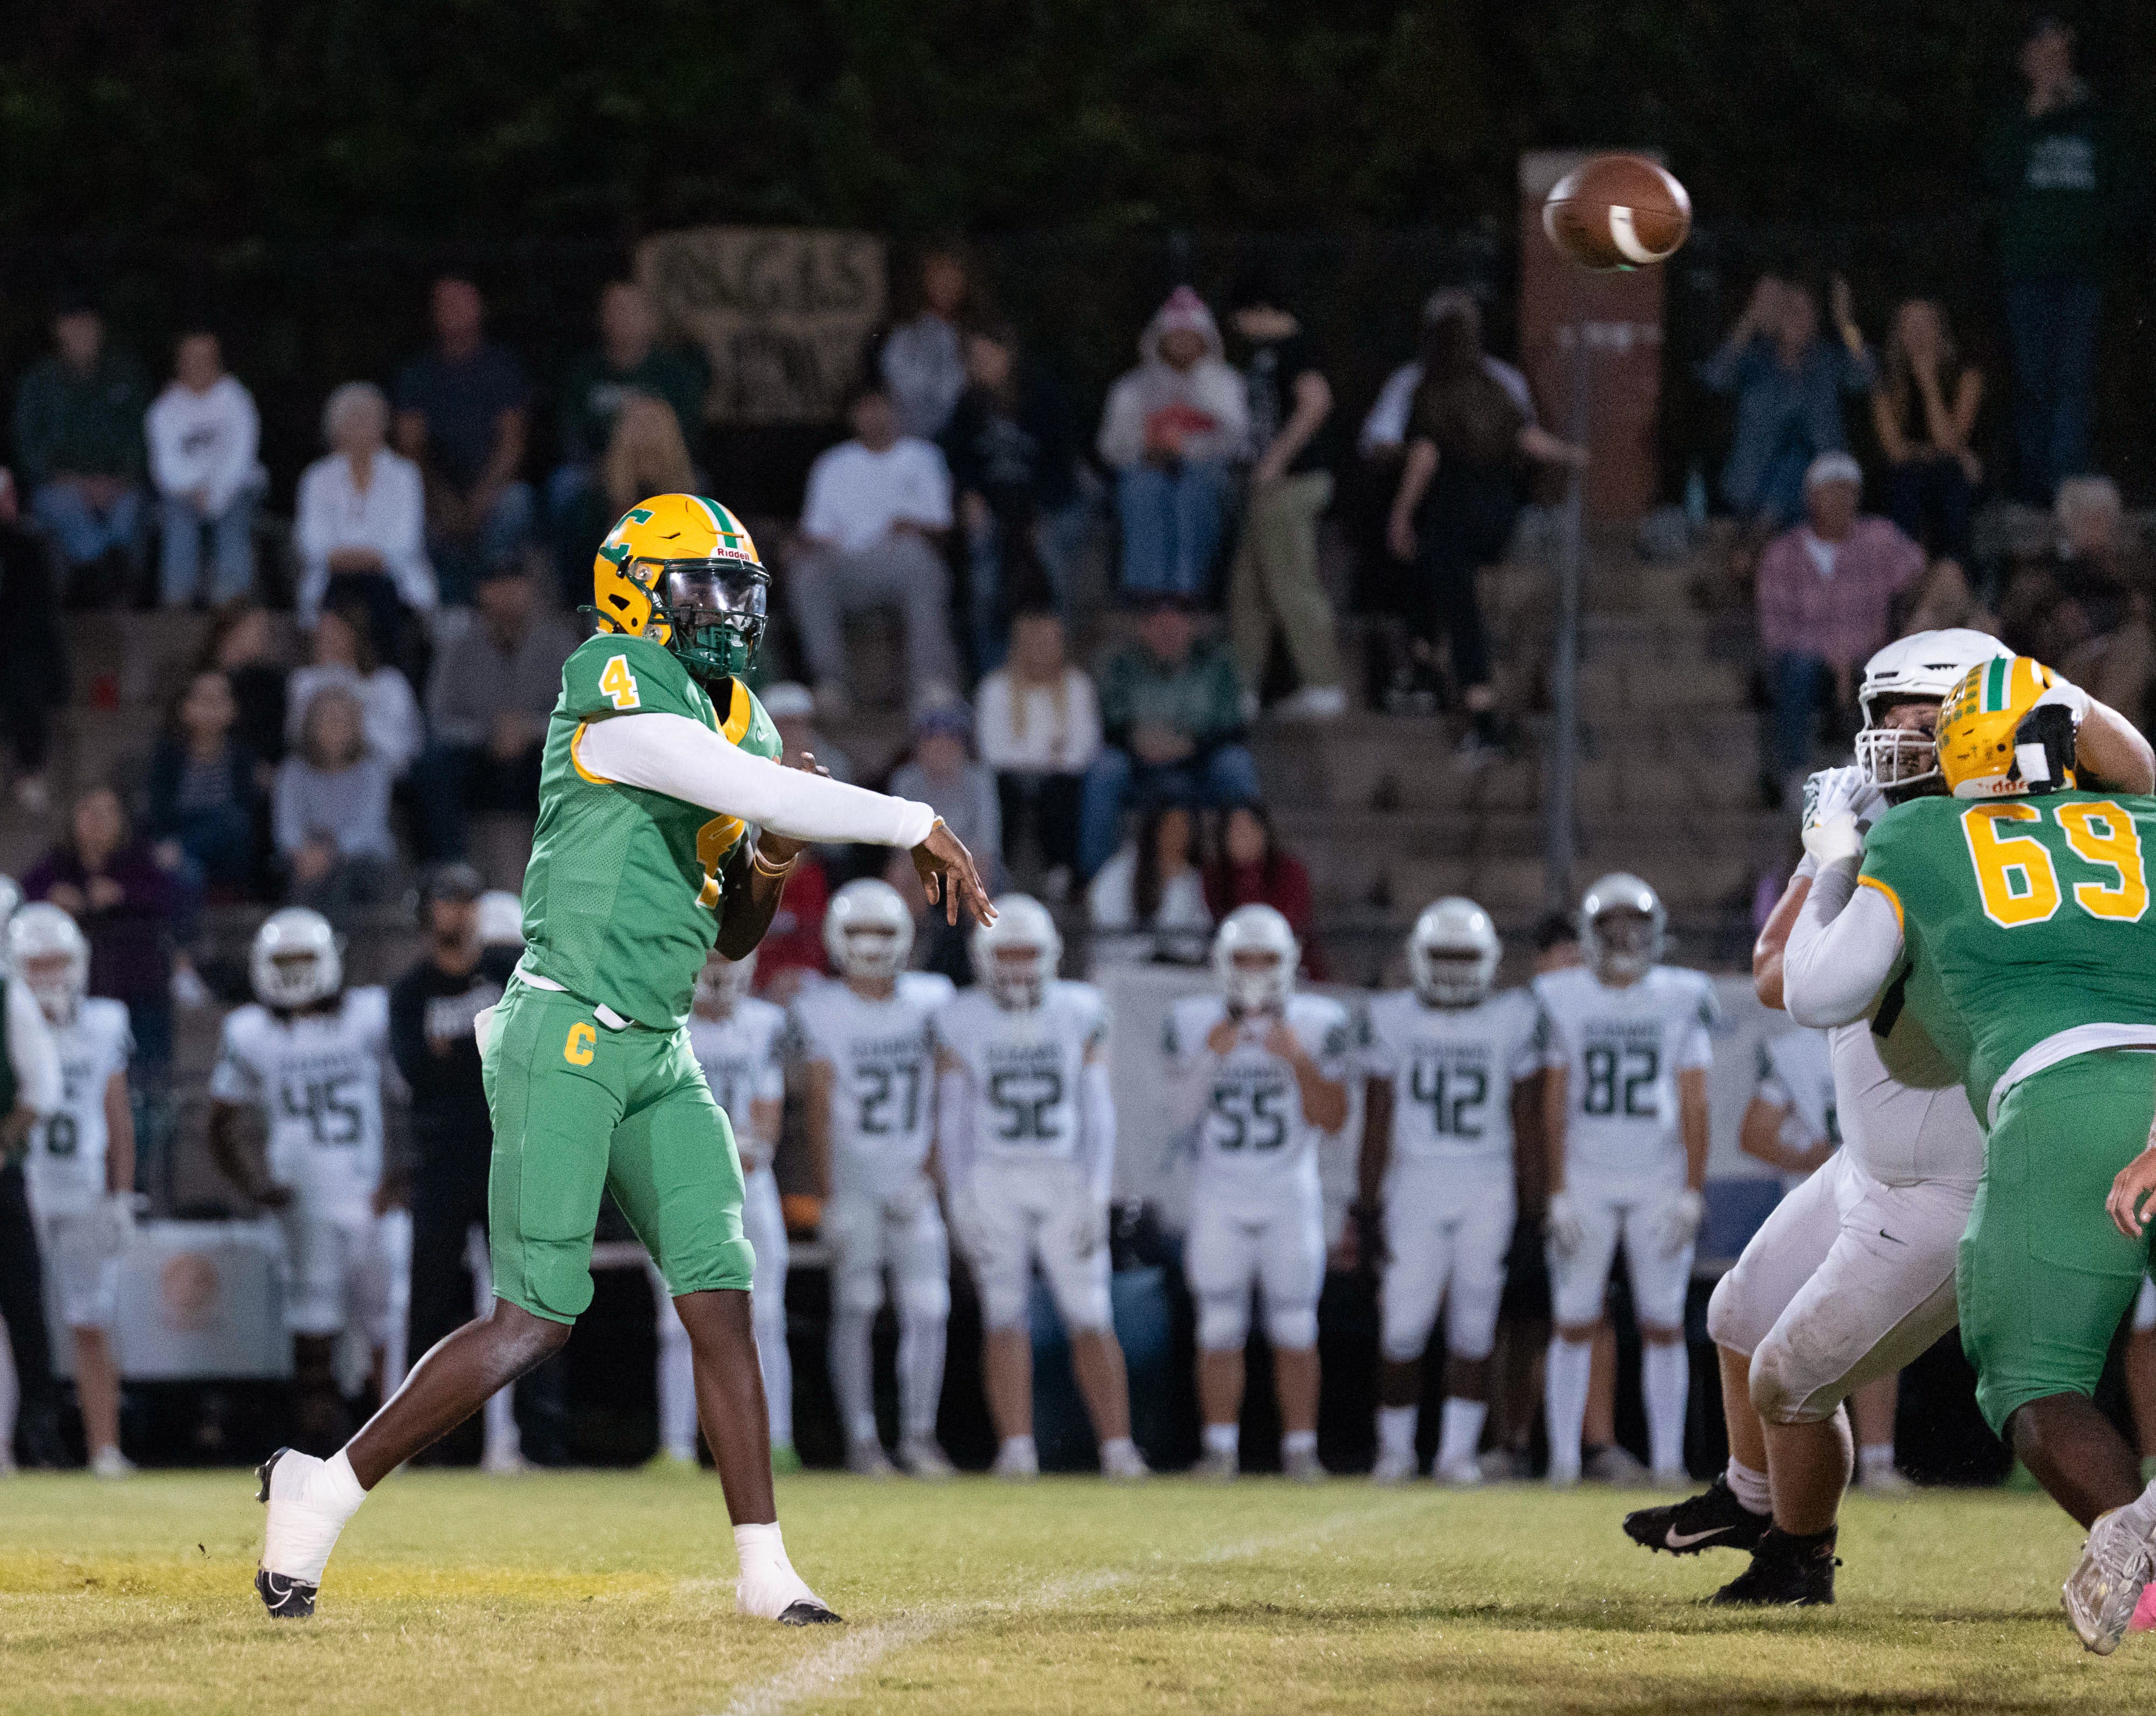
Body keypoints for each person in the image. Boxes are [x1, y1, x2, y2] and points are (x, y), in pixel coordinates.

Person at [251, 491, 991, 1625]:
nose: (727, 610)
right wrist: (906, 817)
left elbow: (736, 925)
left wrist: (778, 856)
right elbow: (744, 786)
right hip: (566, 1024)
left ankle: (765, 1572)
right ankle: (324, 1486)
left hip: (656, 1039)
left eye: (739, 588)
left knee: (721, 1294)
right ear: (635, 590)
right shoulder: (607, 677)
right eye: (703, 583)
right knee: (534, 1318)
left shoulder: (734, 716)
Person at [1783, 652, 2156, 1650]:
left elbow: (1816, 991)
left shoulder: (1921, 833)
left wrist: (1829, 858)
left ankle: (2139, 1530)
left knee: (2034, 1379)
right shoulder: (2149, 822)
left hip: (2065, 1099)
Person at [934, 896, 1148, 1481]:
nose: (1019, 967)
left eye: (1029, 954)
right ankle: (1017, 1449)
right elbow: (952, 1116)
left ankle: (1118, 1448)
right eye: (1008, 954)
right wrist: (958, 1193)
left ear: (1051, 955)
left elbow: (1097, 1107)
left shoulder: (1079, 1009)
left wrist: (1095, 1190)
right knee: (1003, 1316)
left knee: (1091, 1313)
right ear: (983, 956)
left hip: (1062, 1175)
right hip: (994, 1177)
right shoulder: (962, 1015)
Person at [1536, 874, 1715, 1488]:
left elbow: (1695, 1102)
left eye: (1632, 928)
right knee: (1573, 1316)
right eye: (1608, 929)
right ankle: (1562, 1462)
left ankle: (1667, 1464)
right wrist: (1556, 1190)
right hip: (1586, 1172)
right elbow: (1553, 1103)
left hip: (1657, 1174)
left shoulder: (1681, 996)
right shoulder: (1564, 997)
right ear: (1589, 935)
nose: (1621, 941)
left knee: (1662, 1320)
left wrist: (1693, 1189)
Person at [1359, 899, 1544, 1486]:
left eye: (1465, 958)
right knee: (1403, 1328)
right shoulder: (1392, 1018)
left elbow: (1526, 1121)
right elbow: (1376, 1118)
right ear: (1417, 958)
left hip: (1485, 1181)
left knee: (1474, 1323)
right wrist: (1365, 1206)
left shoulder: (1511, 1019)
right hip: (1415, 1180)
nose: (1455, 971)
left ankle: (1455, 1453)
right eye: (1442, 957)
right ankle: (1394, 1450)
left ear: (1488, 961)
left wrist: (1532, 1209)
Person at [388, 863, 563, 1473]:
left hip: (508, 1154)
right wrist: (480, 1046)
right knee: (430, 1304)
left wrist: (455, 1050)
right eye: (446, 901)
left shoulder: (506, 971)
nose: (457, 913)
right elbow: (416, 1070)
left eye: (466, 900)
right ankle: (424, 1445)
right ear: (428, 911)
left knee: (531, 1302)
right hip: (441, 1162)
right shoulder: (410, 991)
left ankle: (540, 1442)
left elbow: (526, 1049)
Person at [209, 911, 405, 1451]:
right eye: (284, 961)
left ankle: (397, 1443)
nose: (295, 973)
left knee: (390, 1327)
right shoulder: (251, 1033)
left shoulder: (369, 1016)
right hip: (306, 1206)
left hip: (369, 1196)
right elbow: (220, 1122)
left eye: (304, 960)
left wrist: (400, 1175)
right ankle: (319, 1451)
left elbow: (412, 1097)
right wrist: (255, 1184)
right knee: (314, 1341)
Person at [1166, 904, 1350, 1479]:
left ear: (1288, 963)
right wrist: (1209, 1060)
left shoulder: (1319, 1023)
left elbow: (1334, 1117)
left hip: (1287, 1193)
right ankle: (1220, 1450)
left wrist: (1296, 1059)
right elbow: (1172, 1118)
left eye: (1264, 959)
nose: (1252, 969)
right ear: (1222, 963)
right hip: (1220, 1191)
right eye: (1241, 958)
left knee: (1296, 1325)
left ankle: (1300, 1451)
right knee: (1217, 1325)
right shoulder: (1194, 1020)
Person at [791, 880, 959, 1478]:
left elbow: (949, 1090)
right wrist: (829, 1193)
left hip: (911, 1177)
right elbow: (817, 1104)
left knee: (929, 1308)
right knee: (858, 1305)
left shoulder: (931, 999)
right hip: (855, 1178)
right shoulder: (820, 1007)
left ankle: (918, 1436)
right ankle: (863, 1440)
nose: (870, 944)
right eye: (860, 931)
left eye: (884, 931)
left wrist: (935, 1169)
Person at [1385, 299, 1585, 747]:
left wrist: (1400, 512)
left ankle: (1475, 698)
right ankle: (1427, 662)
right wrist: (1572, 455)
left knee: (1451, 589)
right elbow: (1527, 438)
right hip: (1495, 509)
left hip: (1453, 508)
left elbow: (1424, 456)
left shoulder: (1428, 392)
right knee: (1432, 571)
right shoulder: (1494, 389)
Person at [8, 905, 135, 1477]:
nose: (49, 976)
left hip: (82, 1187)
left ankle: (103, 1448)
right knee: (11, 1325)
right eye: (36, 965)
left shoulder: (104, 1021)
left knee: (91, 1318)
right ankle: (7, 1448)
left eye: (57, 963)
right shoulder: (7, 1015)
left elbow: (117, 1115)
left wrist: (121, 1192)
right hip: (23, 1187)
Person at [1985, 16, 2132, 504]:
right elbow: (1994, 177)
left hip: (2081, 272)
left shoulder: (2097, 120)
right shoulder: (2013, 120)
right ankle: (2035, 490)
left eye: (2062, 56)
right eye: (2044, 55)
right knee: (2033, 380)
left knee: (2073, 379)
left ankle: (2067, 486)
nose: (2055, 65)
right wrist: (2034, 117)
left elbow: (2119, 186)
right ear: (2027, 63)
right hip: (2027, 270)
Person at [667, 951, 794, 1471]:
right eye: (710, 957)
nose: (719, 972)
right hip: (680, 1187)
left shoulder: (766, 1024)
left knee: (766, 1316)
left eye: (728, 957)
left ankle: (778, 1442)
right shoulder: (664, 1023)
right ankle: (676, 1447)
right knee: (677, 1323)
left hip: (750, 1186)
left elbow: (766, 1127)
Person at [1754, 452, 1926, 801]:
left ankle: (1877, 775)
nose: (1842, 501)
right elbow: (1776, 633)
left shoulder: (1878, 538)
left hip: (1866, 656)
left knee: (1884, 672)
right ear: (1812, 498)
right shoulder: (1784, 554)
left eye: (1849, 492)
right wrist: (1832, 652)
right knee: (1798, 669)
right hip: (1806, 661)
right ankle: (1795, 774)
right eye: (1832, 492)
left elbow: (1922, 573)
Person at [789, 381, 958, 717]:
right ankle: (831, 685)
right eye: (866, 409)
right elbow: (815, 533)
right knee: (807, 574)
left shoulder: (923, 456)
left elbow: (943, 529)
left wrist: (912, 526)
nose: (875, 417)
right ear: (853, 417)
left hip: (900, 559)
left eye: (882, 407)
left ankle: (929, 685)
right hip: (847, 564)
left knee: (918, 561)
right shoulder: (834, 463)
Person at [1226, 278, 1345, 719]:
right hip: (1269, 485)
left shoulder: (1297, 348)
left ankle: (1324, 683)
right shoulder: (1266, 354)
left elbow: (1316, 402)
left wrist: (1275, 460)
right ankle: (1244, 689)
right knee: (1249, 589)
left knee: (1291, 581)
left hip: (1292, 483)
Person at [938, 321, 1087, 670]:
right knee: (984, 574)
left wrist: (1038, 513)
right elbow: (959, 464)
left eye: (986, 354)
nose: (978, 362)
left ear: (1007, 355)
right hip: (996, 511)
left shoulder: (1044, 398)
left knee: (1049, 558)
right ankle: (994, 674)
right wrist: (970, 495)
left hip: (1050, 508)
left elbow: (1062, 470)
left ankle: (1057, 665)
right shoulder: (967, 406)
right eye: (972, 356)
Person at [1078, 595, 1259, 880]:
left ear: (1192, 627)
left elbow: (1235, 727)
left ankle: (1249, 874)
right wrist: (1138, 742)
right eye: (1159, 624)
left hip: (1200, 768)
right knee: (1105, 768)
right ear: (1143, 628)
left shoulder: (1218, 664)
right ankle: (1097, 880)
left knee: (1236, 764)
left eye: (1177, 623)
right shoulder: (1121, 665)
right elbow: (1109, 722)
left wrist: (1191, 744)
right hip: (1139, 768)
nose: (1168, 631)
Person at [23, 787, 182, 1088]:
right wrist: (49, 900)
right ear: (73, 818)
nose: (98, 820)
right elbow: (20, 898)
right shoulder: (58, 865)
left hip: (140, 994)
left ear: (121, 820)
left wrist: (122, 894)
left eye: (108, 812)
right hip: (80, 1002)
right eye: (89, 811)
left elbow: (171, 898)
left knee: (146, 1088)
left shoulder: (138, 860)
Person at [416, 562, 577, 859]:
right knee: (434, 762)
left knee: (578, 760)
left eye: (513, 583)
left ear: (531, 590)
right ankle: (451, 867)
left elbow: (580, 709)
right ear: (481, 593)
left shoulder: (559, 640)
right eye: (495, 583)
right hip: (477, 752)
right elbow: (438, 714)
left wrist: (530, 728)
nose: (505, 594)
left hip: (539, 749)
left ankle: (566, 861)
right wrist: (489, 732)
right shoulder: (459, 642)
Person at [1096, 287, 1248, 601]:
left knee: (1195, 489)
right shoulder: (1132, 387)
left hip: (1207, 475)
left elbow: (1239, 441)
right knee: (1142, 487)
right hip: (1147, 471)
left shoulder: (1226, 383)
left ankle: (1193, 591)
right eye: (1175, 335)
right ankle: (1147, 594)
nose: (1182, 343)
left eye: (1191, 335)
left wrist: (1188, 448)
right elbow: (1110, 446)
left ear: (1206, 338)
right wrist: (1150, 447)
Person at [393, 277, 535, 605]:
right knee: (411, 508)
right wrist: (442, 500)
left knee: (517, 502)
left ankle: (496, 597)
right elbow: (410, 449)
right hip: (437, 492)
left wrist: (479, 503)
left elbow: (512, 444)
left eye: (463, 302)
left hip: (491, 491)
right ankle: (447, 609)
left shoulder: (502, 367)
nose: (454, 312)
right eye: (445, 304)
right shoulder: (417, 374)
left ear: (480, 308)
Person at [1697, 275, 1875, 532]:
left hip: (1821, 488)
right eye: (1789, 310)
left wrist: (1845, 321)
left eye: (1805, 311)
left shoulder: (1829, 361)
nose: (1796, 317)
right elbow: (1714, 378)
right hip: (1755, 483)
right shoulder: (1754, 358)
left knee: (1798, 464)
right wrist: (1752, 318)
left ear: (1816, 320)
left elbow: (1866, 376)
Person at [550, 281, 709, 557]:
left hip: (665, 467)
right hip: (595, 466)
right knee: (565, 486)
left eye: (632, 310)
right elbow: (572, 434)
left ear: (651, 318)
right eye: (615, 310)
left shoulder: (675, 374)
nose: (623, 318)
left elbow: (687, 435)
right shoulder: (584, 372)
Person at [12, 301, 149, 589]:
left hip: (118, 486)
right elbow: (29, 454)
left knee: (130, 510)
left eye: (89, 325)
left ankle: (111, 589)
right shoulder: (38, 383)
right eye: (74, 326)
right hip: (59, 486)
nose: (82, 333)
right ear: (59, 331)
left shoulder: (124, 376)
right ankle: (97, 574)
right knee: (67, 510)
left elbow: (143, 440)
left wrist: (117, 481)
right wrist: (82, 484)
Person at [0, 894, 65, 1470]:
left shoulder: (9, 997)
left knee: (24, 1314)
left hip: (2, 1179)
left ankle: (35, 1438)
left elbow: (41, 1092)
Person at [295, 382, 436, 636]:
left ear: (382, 426)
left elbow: (407, 539)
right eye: (351, 422)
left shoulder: (406, 475)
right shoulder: (316, 477)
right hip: (333, 581)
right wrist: (347, 559)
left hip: (393, 580)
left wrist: (368, 559)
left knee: (381, 600)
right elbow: (310, 541)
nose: (360, 431)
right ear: (336, 430)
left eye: (367, 422)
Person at [975, 609, 1100, 888]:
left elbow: (1084, 750)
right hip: (1010, 778)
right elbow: (992, 752)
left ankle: (1060, 872)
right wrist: (1049, 754)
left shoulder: (1078, 686)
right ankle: (1001, 869)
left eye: (1049, 643)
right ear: (1018, 647)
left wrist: (1035, 755)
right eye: (1033, 644)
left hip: (1061, 780)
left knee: (1062, 785)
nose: (1041, 652)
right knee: (998, 783)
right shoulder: (994, 688)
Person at [146, 331, 264, 607]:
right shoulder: (165, 407)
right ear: (179, 363)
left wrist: (214, 494)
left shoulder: (237, 400)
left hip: (235, 488)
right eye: (191, 359)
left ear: (218, 361)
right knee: (178, 525)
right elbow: (165, 463)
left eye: (205, 358)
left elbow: (242, 456)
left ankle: (230, 608)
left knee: (233, 525)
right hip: (183, 491)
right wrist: (193, 489)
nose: (198, 365)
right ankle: (177, 608)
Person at [552, 393, 700, 610]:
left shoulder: (693, 499)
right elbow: (583, 572)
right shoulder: (592, 499)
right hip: (608, 600)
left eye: (653, 425)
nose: (646, 435)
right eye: (637, 426)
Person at [1871, 300, 1982, 563]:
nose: (1918, 333)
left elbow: (1949, 444)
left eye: (1926, 324)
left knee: (1948, 476)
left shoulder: (1967, 376)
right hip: (1911, 474)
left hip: (1956, 477)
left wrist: (1929, 384)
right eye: (1910, 324)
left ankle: (1956, 575)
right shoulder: (1885, 382)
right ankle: (1904, 577)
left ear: (1941, 330)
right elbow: (1895, 451)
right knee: (1907, 479)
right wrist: (1950, 453)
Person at [274, 685, 397, 917]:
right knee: (300, 874)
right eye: (327, 720)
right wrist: (304, 852)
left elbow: (369, 829)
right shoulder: (292, 772)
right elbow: (287, 829)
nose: (335, 728)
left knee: (343, 874)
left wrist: (331, 852)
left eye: (343, 721)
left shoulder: (373, 771)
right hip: (305, 859)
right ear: (311, 725)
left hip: (362, 859)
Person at [146, 670, 261, 901]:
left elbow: (245, 812)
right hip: (180, 828)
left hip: (224, 837)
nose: (212, 708)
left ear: (233, 709)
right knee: (186, 872)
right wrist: (167, 841)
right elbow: (158, 807)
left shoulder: (243, 757)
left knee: (234, 823)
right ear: (186, 709)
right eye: (205, 700)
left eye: (220, 700)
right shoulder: (168, 754)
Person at [285, 603, 424, 779]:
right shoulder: (302, 681)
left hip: (382, 775)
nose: (325, 640)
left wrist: (354, 714)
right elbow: (295, 737)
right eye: (320, 634)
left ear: (354, 636)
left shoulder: (390, 682)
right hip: (318, 775)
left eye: (334, 633)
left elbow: (404, 748)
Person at [1201, 802, 1323, 980]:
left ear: (1263, 832)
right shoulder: (1215, 878)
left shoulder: (1290, 871)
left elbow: (1284, 927)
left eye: (1248, 829)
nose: (1241, 837)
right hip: (1236, 972)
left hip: (1289, 971)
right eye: (1234, 831)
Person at [1086, 802, 1212, 968]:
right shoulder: (1121, 870)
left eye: (1184, 828)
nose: (1178, 835)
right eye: (1171, 827)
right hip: (1124, 969)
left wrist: (1176, 886)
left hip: (1178, 973)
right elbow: (1106, 925)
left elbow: (1194, 941)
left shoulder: (1192, 878)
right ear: (1155, 830)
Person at [877, 247, 973, 443]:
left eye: (953, 273)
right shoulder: (897, 334)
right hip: (911, 447)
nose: (945, 283)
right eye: (937, 273)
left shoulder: (979, 334)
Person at [202, 597, 291, 766]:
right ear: (235, 629)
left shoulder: (271, 679)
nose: (265, 635)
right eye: (256, 629)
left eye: (265, 629)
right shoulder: (204, 674)